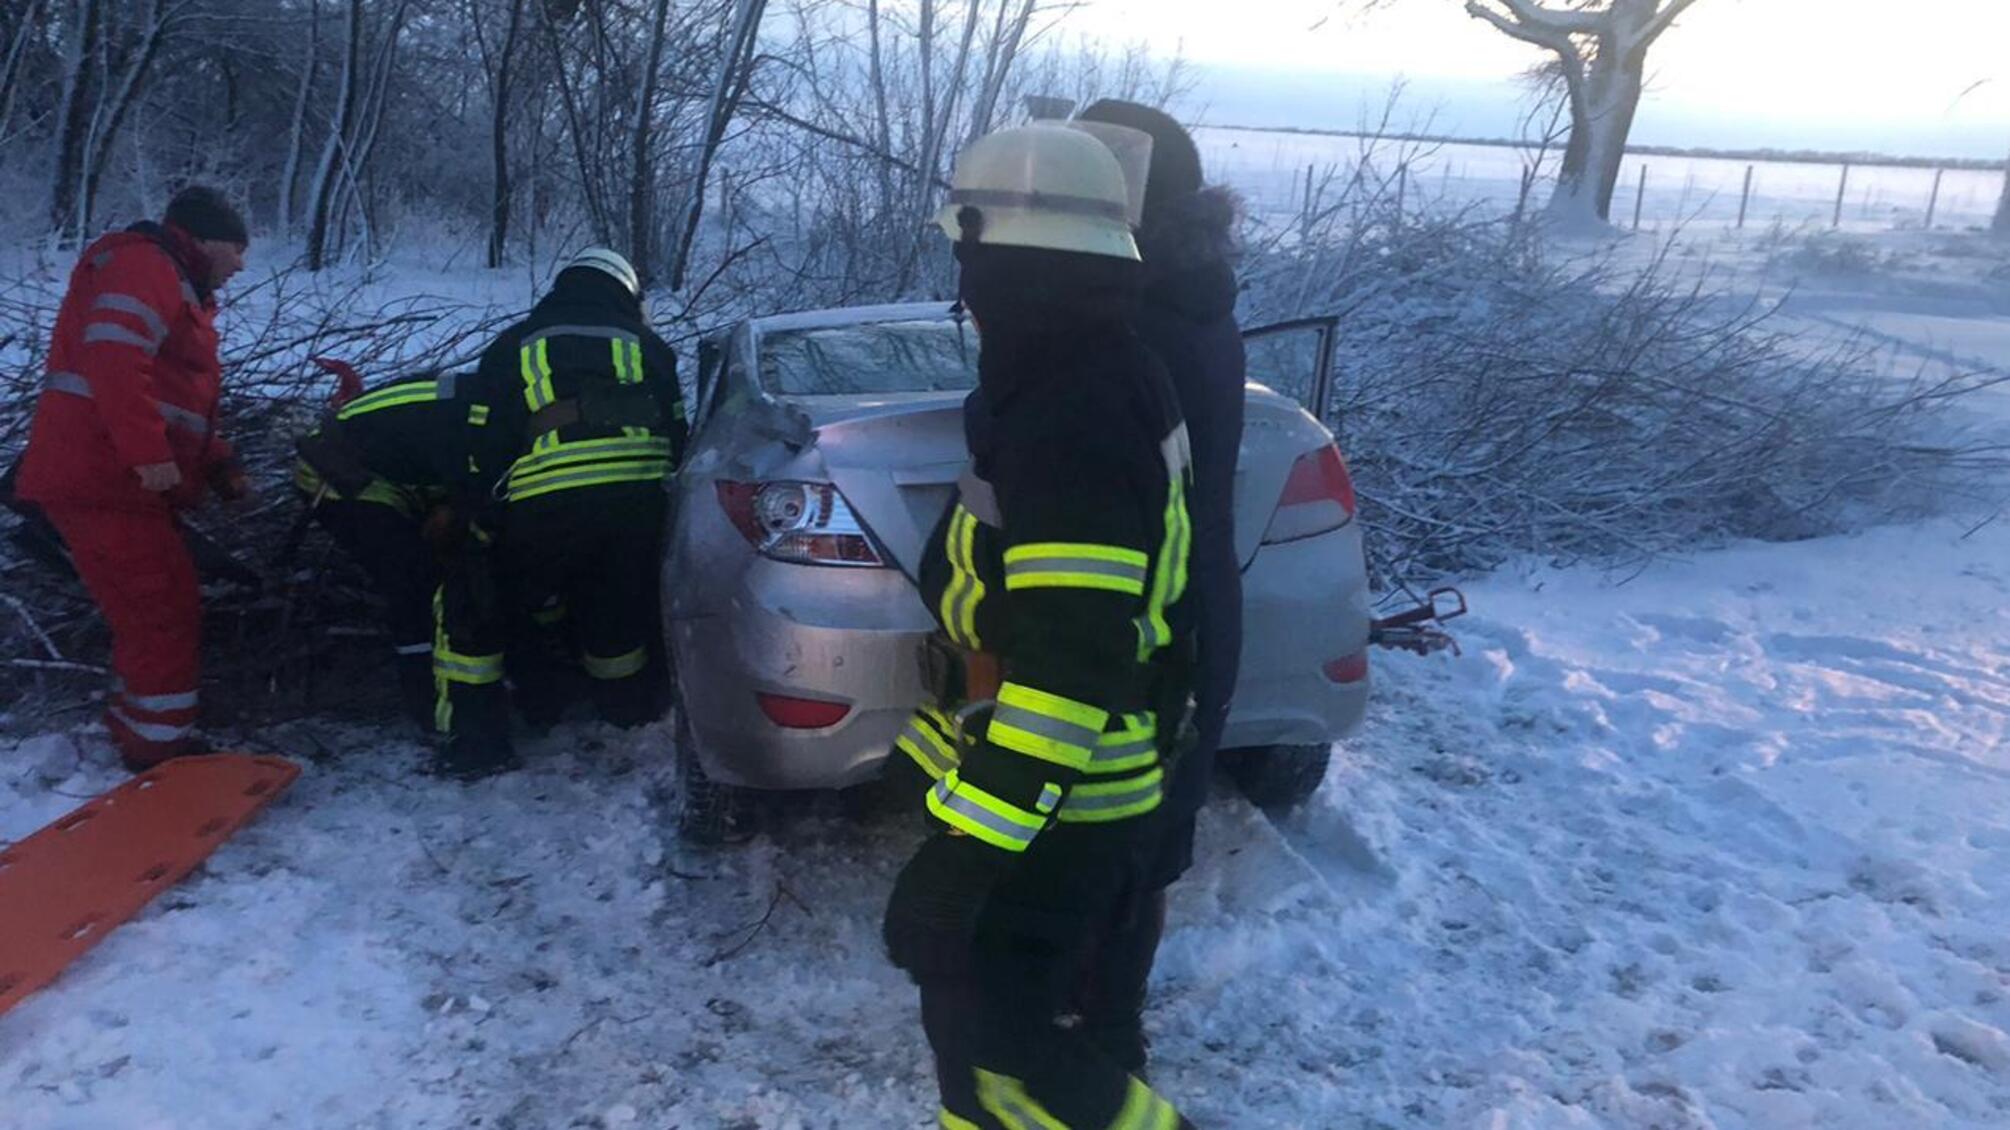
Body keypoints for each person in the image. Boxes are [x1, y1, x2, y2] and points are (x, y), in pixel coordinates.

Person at [880, 124, 1197, 1130]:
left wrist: (966, 854)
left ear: (1000, 259)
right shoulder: (1085, 373)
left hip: (1062, 814)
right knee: (1057, 1043)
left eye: (966, 260)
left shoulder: (1074, 409)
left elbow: (1070, 665)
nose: (961, 286)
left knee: (1000, 1057)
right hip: (1076, 797)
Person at [1066, 99, 1247, 1078]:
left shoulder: (1137, 330)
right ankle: (1103, 1029)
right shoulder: (1194, 297)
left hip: (1148, 621)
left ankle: (1094, 1041)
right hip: (1199, 607)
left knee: (1109, 837)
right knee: (1141, 838)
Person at [13, 185, 251, 769]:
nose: (242, 265)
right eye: (236, 250)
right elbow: (115, 360)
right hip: (105, 478)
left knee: (157, 605)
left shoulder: (170, 281)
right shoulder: (145, 266)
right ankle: (158, 750)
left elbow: (175, 398)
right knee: (160, 608)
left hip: (116, 479)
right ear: (200, 239)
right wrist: (149, 457)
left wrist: (216, 460)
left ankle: (142, 722)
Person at [429, 248, 687, 779]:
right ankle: (623, 709)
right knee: (616, 605)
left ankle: (497, 729)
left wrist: (478, 515)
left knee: (491, 603)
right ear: (626, 292)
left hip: (544, 506)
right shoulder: (651, 347)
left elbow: (485, 438)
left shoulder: (512, 345)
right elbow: (680, 431)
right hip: (636, 503)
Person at [292, 362, 469, 731]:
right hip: (343, 475)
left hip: (383, 465)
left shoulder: (489, 400)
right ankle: (426, 700)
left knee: (439, 568)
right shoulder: (499, 423)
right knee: (411, 582)